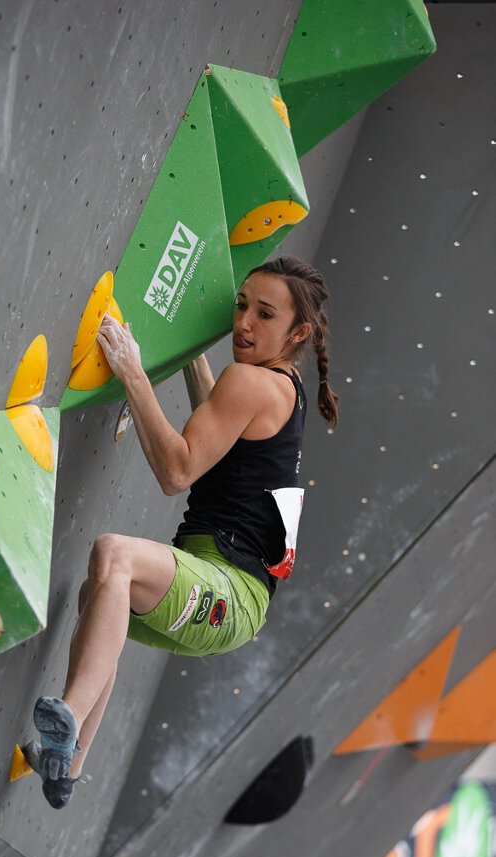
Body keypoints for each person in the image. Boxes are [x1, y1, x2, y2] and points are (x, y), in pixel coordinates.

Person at [26, 255, 338, 808]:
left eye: (264, 314)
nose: (243, 323)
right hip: (233, 601)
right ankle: (67, 769)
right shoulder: (282, 386)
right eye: (241, 305)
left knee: (113, 556)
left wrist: (132, 370)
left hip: (229, 592)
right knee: (99, 596)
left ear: (298, 333)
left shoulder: (252, 382)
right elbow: (218, 434)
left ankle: (68, 716)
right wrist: (191, 352)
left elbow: (178, 471)